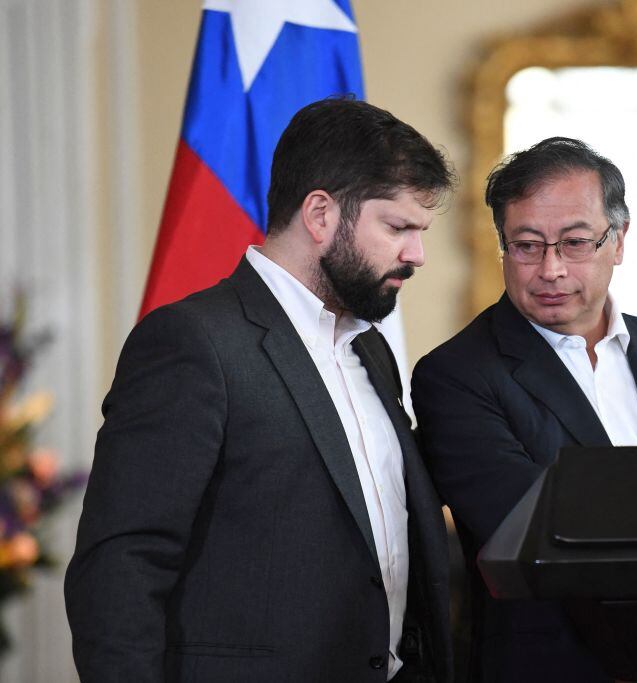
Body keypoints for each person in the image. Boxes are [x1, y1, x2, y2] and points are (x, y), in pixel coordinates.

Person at [65, 98, 456, 683]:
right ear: (321, 214)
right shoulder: (193, 342)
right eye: (397, 227)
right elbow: (121, 566)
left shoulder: (370, 349)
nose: (416, 254)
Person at [411, 137, 637, 682]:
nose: (551, 269)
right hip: (556, 662)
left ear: (619, 240)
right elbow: (531, 527)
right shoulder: (458, 375)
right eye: (527, 245)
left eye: (575, 242)